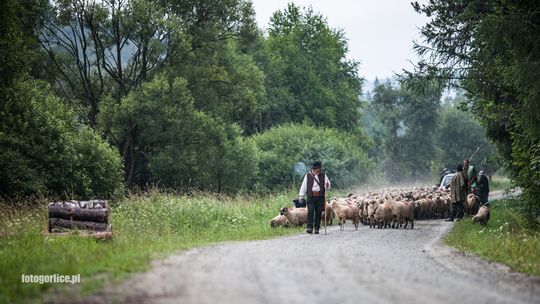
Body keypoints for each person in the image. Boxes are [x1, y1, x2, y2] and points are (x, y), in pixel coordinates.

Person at [299, 161, 331, 234]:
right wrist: (301, 195)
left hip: (320, 197)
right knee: (310, 211)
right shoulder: (308, 175)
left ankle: (317, 228)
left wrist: (327, 185)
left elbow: (328, 184)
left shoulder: (323, 175)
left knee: (319, 212)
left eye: (319, 168)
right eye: (318, 168)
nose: (319, 169)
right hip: (311, 196)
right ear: (315, 168)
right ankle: (309, 227)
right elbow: (304, 186)